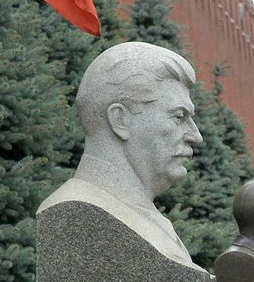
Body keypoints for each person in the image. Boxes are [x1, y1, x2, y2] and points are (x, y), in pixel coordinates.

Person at [39, 41, 202, 267]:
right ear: (120, 120)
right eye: (178, 116)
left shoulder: (149, 217)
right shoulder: (79, 212)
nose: (196, 136)